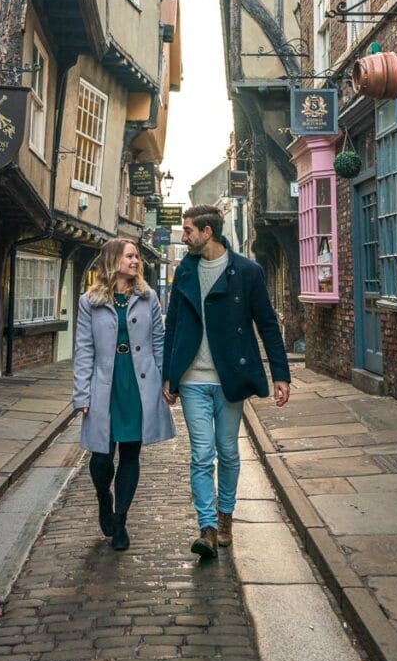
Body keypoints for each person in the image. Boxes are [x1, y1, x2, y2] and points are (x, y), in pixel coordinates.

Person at [162, 205, 291, 559]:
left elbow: (266, 323)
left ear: (207, 232)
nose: (184, 236)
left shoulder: (247, 272)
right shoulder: (185, 271)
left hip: (229, 377)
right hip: (192, 379)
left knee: (229, 451)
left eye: (188, 231)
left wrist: (280, 373)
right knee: (202, 454)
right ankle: (206, 527)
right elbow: (172, 325)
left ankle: (225, 517)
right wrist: (168, 375)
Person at [73, 238, 175, 550]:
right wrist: (81, 395)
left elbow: (159, 340)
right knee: (101, 457)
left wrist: (165, 382)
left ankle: (120, 522)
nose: (135, 261)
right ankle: (104, 497)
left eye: (137, 257)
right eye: (130, 256)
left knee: (131, 453)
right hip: (104, 383)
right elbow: (83, 349)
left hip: (138, 383)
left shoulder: (148, 297)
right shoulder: (89, 301)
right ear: (113, 260)